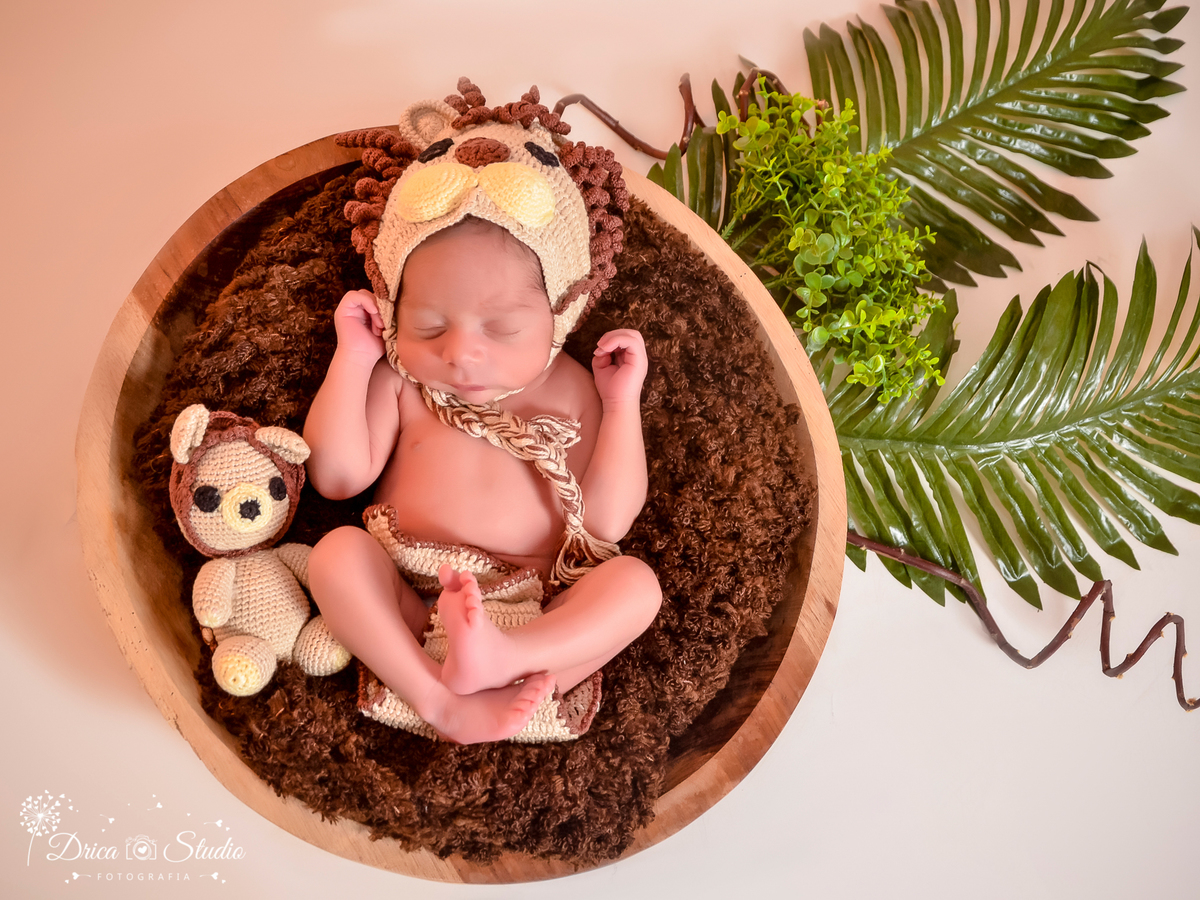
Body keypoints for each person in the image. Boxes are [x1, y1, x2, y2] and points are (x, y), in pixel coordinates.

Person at [303, 214, 662, 745]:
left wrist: (620, 402)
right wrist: (354, 358)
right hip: (412, 604)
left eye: (502, 329)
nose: (460, 354)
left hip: (533, 613)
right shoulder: (405, 381)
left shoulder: (576, 389)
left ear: (560, 313)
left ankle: (505, 665)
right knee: (335, 553)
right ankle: (436, 699)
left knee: (636, 587)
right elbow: (335, 478)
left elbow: (606, 521)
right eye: (429, 326)